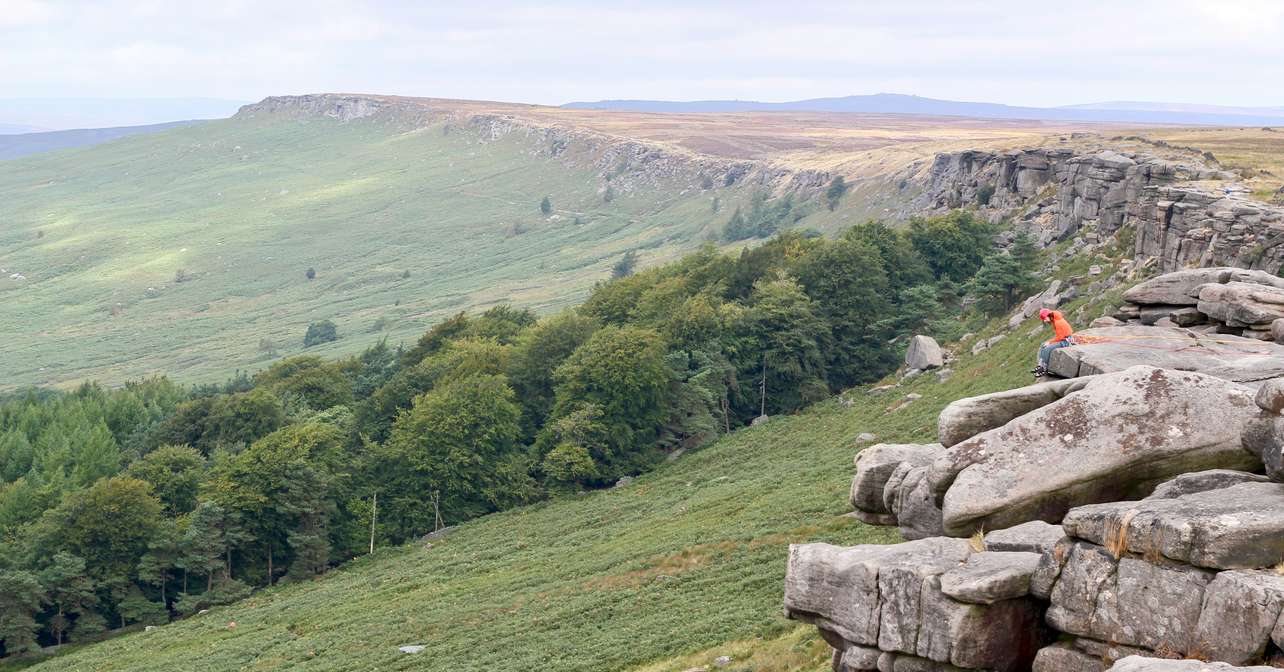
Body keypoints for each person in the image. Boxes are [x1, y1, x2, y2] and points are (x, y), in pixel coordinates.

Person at [1033, 308, 1075, 377]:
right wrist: (1049, 342)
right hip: (1063, 339)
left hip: (1066, 341)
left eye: (1045, 318)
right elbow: (1059, 336)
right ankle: (1040, 365)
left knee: (1047, 349)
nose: (1045, 320)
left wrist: (1050, 342)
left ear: (1048, 315)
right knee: (1043, 345)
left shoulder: (1058, 322)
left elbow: (1060, 338)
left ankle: (1044, 369)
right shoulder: (1056, 319)